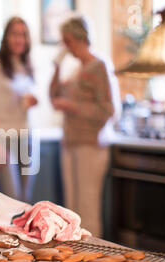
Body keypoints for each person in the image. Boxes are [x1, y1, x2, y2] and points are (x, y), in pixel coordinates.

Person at [49, 16, 121, 237]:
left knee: (88, 209)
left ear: (77, 37)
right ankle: (76, 261)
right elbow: (53, 96)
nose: (65, 45)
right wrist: (56, 66)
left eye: (66, 40)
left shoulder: (99, 66)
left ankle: (93, 260)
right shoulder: (76, 70)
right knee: (72, 211)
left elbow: (109, 110)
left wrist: (72, 106)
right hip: (71, 144)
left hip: (90, 146)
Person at [0, 16, 38, 203]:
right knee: (10, 200)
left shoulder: (27, 65)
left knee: (25, 201)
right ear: (6, 37)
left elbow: (25, 99)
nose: (19, 39)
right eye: (15, 34)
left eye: (23, 35)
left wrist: (31, 101)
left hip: (26, 138)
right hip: (2, 138)